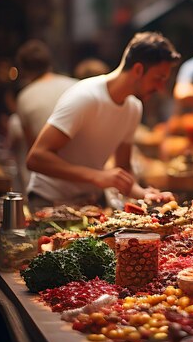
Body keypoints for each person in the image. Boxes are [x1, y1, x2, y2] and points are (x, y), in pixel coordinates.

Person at [26, 32, 181, 209]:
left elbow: (123, 169)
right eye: (158, 79)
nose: (161, 89)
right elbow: (36, 158)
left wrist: (145, 194)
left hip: (89, 204)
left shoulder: (134, 108)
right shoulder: (86, 96)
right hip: (48, 202)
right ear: (138, 70)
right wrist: (96, 176)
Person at [15, 39, 77, 148]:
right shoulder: (76, 85)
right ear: (50, 63)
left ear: (23, 70)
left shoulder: (25, 96)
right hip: (87, 160)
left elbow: (33, 149)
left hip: (49, 162)